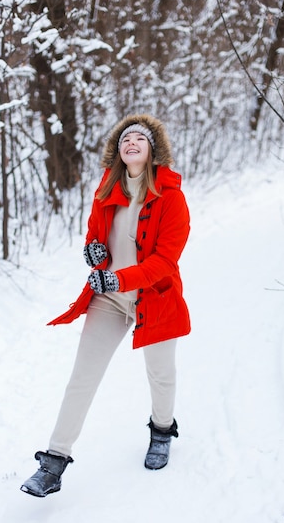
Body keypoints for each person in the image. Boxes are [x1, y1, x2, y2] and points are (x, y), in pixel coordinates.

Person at [21, 113, 191, 497]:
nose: (131, 143)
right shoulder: (106, 188)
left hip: (156, 299)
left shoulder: (172, 198)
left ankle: (162, 430)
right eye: (124, 139)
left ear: (153, 151)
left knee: (160, 374)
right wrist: (94, 251)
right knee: (82, 377)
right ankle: (54, 461)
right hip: (110, 299)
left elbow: (165, 261)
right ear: (118, 150)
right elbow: (95, 236)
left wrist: (118, 276)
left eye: (140, 139)